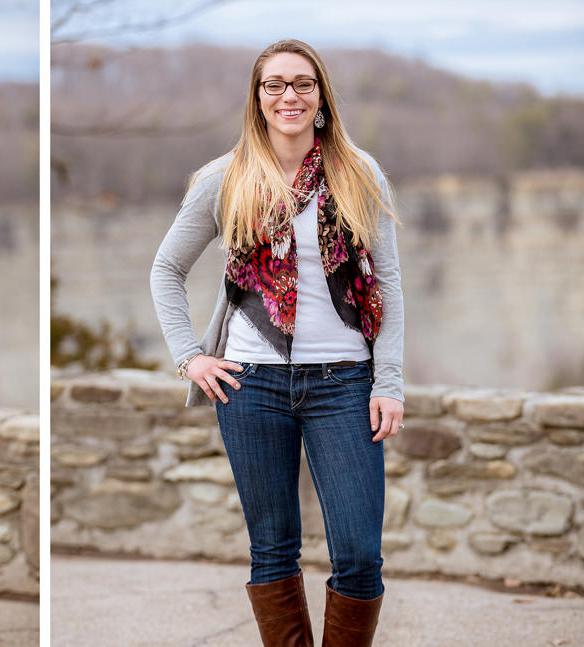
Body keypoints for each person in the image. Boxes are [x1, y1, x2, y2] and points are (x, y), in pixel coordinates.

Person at [151, 39, 404, 647]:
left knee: (360, 555)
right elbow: (166, 270)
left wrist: (388, 382)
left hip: (345, 381)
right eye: (274, 85)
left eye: (302, 84)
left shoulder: (358, 172)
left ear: (321, 97)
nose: (288, 95)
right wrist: (190, 356)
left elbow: (388, 281)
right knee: (272, 551)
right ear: (258, 99)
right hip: (251, 383)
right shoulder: (225, 178)